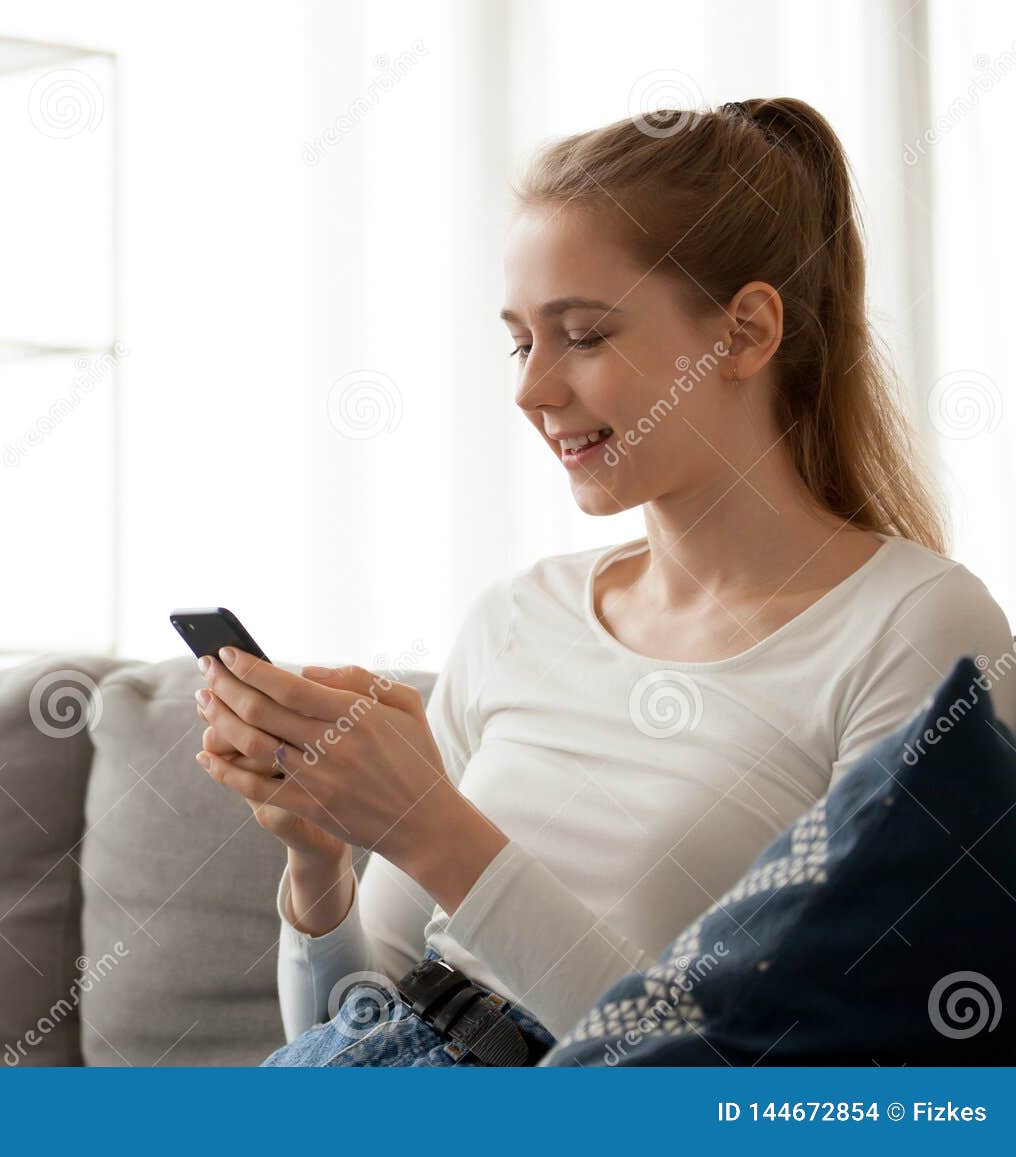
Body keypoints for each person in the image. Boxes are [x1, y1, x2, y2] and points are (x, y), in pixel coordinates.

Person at [194, 97, 1016, 1068]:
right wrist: (317, 859)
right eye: (519, 340)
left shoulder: (915, 626)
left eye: (581, 335)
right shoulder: (517, 617)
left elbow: (744, 1081)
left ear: (746, 331)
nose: (531, 387)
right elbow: (350, 1026)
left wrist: (426, 824)